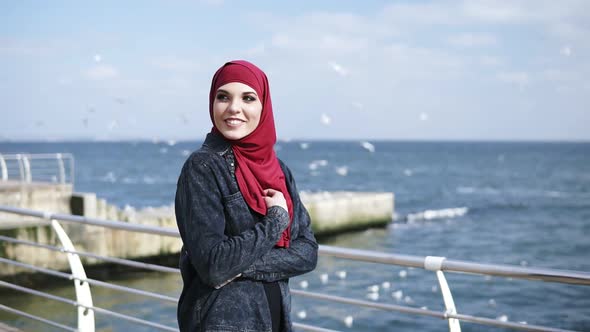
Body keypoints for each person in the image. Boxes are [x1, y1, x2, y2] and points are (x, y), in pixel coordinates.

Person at [175, 60, 318, 332]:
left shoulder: (279, 171)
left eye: (248, 98)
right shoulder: (203, 167)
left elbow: (308, 253)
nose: (233, 108)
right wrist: (275, 220)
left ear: (263, 106)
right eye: (223, 97)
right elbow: (214, 266)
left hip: (273, 319)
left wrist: (237, 266)